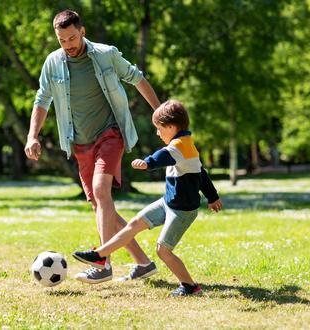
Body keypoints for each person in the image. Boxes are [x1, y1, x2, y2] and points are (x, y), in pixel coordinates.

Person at [24, 10, 161, 284]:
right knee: (100, 205)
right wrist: (32, 136)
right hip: (79, 141)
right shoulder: (52, 63)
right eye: (62, 40)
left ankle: (102, 263)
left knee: (101, 192)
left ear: (82, 32)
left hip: (109, 133)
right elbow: (42, 99)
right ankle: (143, 263)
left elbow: (137, 78)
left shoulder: (105, 54)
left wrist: (160, 117)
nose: (68, 45)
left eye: (72, 38)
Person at [72, 100, 223, 296]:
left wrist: (146, 163)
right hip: (168, 203)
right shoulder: (186, 144)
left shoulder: (179, 146)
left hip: (182, 210)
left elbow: (163, 157)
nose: (158, 133)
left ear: (171, 126)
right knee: (134, 223)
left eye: (159, 129)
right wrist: (213, 197)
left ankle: (189, 286)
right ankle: (100, 256)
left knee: (163, 251)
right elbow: (201, 174)